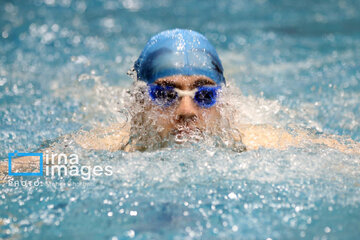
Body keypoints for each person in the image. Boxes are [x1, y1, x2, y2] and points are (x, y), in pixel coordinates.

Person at [1, 29, 359, 180]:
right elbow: (15, 168)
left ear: (223, 101)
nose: (187, 113)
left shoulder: (253, 142)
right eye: (165, 95)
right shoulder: (111, 148)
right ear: (140, 103)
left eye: (205, 96)